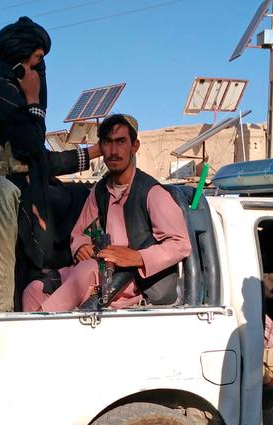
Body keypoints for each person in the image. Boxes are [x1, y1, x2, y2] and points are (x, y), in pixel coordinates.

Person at [0, 17, 101, 308]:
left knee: (82, 194)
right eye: (38, 59)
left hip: (27, 188)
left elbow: (39, 159)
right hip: (19, 198)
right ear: (21, 56)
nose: (41, 67)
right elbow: (32, 148)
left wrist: (91, 153)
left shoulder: (1, 91)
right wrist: (33, 101)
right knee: (85, 202)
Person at [22, 114, 190, 312]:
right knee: (34, 290)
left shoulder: (152, 193)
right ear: (101, 147)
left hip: (133, 282)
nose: (113, 150)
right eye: (107, 143)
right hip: (99, 273)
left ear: (134, 146)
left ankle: (40, 323)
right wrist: (81, 246)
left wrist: (137, 257)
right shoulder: (100, 190)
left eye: (121, 142)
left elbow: (180, 244)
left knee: (85, 272)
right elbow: (79, 233)